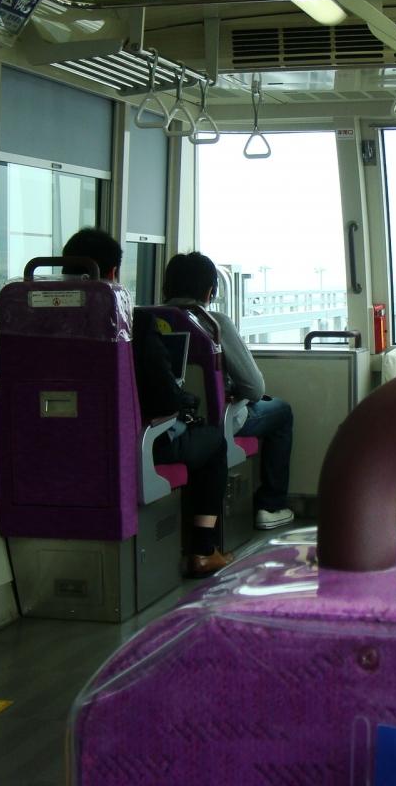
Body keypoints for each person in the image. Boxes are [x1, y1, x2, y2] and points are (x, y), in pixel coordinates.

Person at [61, 229, 233, 577]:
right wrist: (187, 400)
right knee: (213, 441)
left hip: (66, 443)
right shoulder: (134, 324)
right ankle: (203, 549)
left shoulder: (49, 320)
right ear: (113, 273)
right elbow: (164, 395)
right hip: (135, 443)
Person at [161, 252, 295, 530]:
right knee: (281, 411)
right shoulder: (214, 323)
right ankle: (270, 505)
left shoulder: (148, 320)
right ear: (210, 291)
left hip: (168, 422)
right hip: (220, 419)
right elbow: (255, 388)